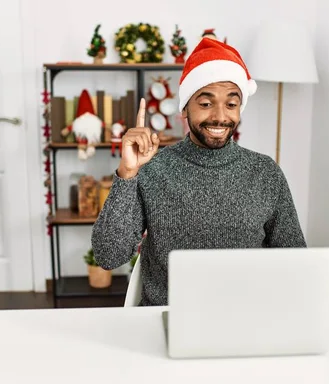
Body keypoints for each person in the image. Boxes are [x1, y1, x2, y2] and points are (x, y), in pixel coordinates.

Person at [91, 38, 306, 306]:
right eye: (205, 104)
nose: (220, 116)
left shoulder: (265, 173)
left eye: (231, 104)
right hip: (167, 317)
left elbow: (295, 261)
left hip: (246, 317)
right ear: (184, 108)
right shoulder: (153, 170)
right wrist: (127, 173)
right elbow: (108, 255)